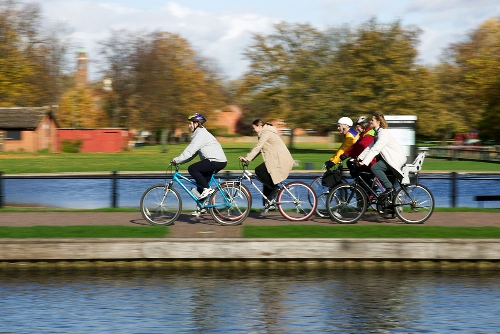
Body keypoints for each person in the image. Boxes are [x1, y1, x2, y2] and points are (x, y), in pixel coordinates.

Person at [238, 119, 295, 206]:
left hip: (280, 160)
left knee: (259, 170)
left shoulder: (266, 133)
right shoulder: (264, 133)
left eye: (254, 128)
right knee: (266, 180)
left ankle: (275, 188)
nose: (253, 130)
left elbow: (258, 147)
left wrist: (247, 158)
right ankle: (269, 203)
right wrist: (248, 158)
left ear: (259, 126)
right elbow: (260, 149)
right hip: (276, 159)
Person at [172, 113, 227, 201]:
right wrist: (180, 161)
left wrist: (177, 159)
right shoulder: (200, 134)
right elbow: (193, 154)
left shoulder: (201, 135)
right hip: (215, 161)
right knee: (200, 184)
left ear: (196, 123)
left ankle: (208, 189)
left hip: (215, 161)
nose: (189, 125)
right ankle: (201, 207)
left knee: (192, 169)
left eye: (190, 123)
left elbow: (190, 151)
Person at [357, 113, 407, 197]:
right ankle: (390, 205)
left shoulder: (383, 134)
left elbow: (375, 149)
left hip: (395, 159)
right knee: (383, 175)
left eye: (372, 120)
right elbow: (370, 147)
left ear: (378, 122)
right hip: (389, 158)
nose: (370, 121)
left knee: (375, 168)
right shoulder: (378, 133)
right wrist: (359, 157)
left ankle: (389, 188)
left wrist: (364, 162)